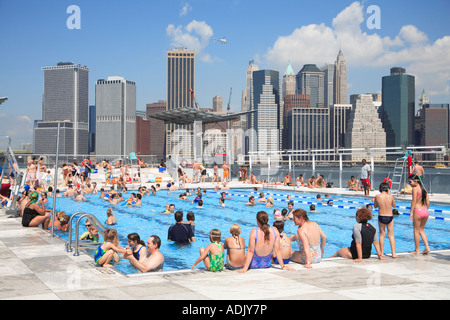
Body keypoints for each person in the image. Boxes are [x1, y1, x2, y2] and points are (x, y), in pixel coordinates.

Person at [374, 182, 397, 258]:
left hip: (381, 216)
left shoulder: (377, 196)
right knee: (391, 235)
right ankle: (393, 253)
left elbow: (375, 206)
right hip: (389, 216)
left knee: (382, 234)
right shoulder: (390, 197)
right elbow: (394, 206)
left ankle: (382, 252)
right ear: (387, 189)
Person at [408, 175, 431, 255]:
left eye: (410, 181)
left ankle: (417, 250)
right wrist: (425, 210)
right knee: (421, 230)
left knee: (416, 231)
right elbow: (428, 202)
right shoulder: (424, 189)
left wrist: (411, 212)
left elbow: (413, 201)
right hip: (425, 211)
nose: (409, 184)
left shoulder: (415, 189)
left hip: (418, 211)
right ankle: (427, 247)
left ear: (416, 181)